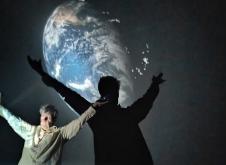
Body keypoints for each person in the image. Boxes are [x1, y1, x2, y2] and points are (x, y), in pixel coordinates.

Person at [28, 56, 165, 165]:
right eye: (115, 91)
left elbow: (67, 94)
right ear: (116, 93)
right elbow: (146, 101)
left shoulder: (96, 116)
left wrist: (42, 73)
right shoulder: (127, 116)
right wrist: (154, 85)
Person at [0, 96, 104, 165]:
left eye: (47, 118)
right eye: (42, 117)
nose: (43, 121)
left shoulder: (60, 134)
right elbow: (12, 119)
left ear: (53, 121)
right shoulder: (31, 131)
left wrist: (92, 108)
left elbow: (78, 123)